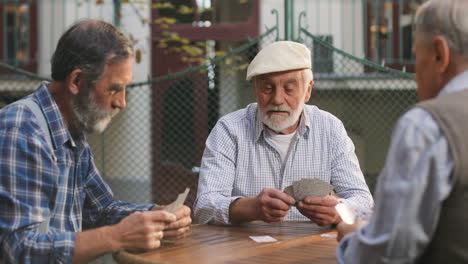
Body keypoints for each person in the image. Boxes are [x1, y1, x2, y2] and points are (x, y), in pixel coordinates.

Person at [0, 19, 191, 263]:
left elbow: (101, 209)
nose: (122, 102)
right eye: (114, 89)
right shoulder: (22, 129)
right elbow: (17, 249)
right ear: (77, 81)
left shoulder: (73, 133)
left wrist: (155, 215)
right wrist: (118, 236)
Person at [336, 0, 468, 262]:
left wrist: (352, 239)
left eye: (417, 56)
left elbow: (388, 250)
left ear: (439, 54)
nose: (415, 73)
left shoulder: (427, 125)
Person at [193, 41, 373, 226]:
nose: (278, 99)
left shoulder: (330, 129)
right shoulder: (229, 130)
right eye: (267, 88)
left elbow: (363, 201)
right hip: (246, 247)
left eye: (289, 89)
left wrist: (337, 212)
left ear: (308, 90)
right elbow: (204, 207)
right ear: (256, 90)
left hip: (312, 245)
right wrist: (251, 208)